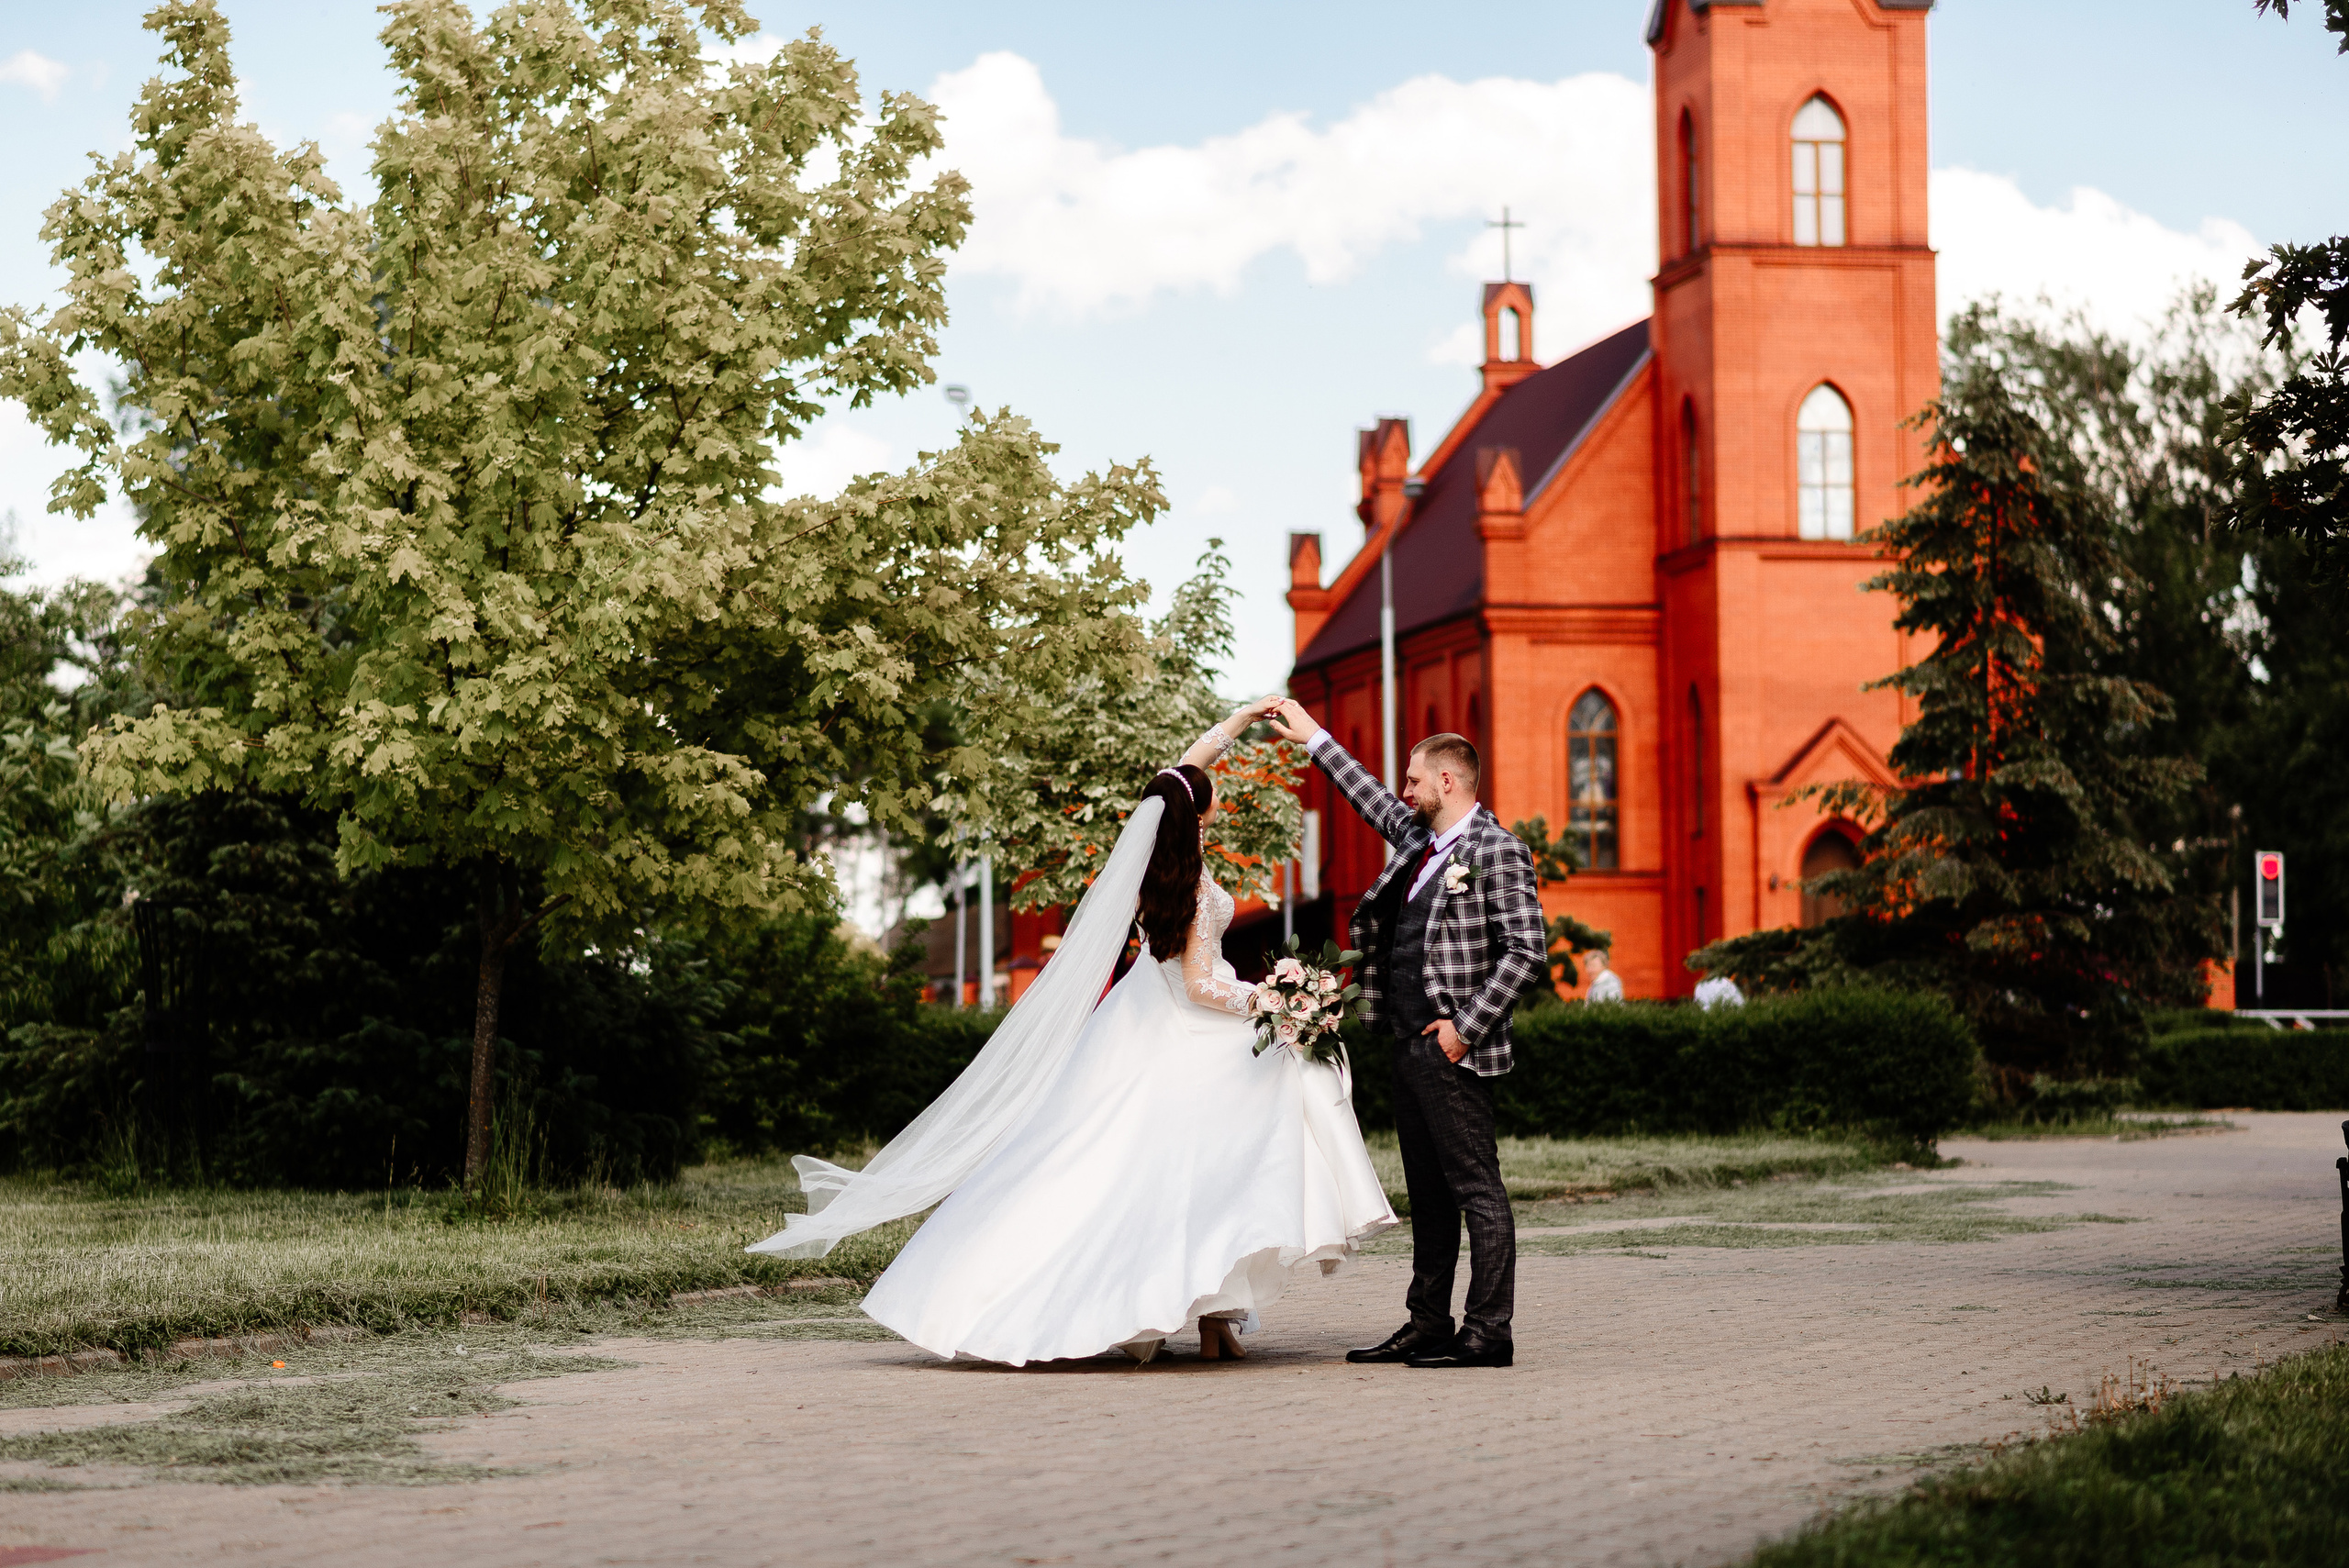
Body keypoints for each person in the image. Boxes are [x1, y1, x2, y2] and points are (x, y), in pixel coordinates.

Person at [747, 698, 1395, 1366]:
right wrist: (1276, 1000)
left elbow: (1177, 777)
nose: (1220, 797)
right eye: (1214, 796)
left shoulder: (1155, 864)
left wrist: (1235, 723)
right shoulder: (1193, 887)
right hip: (1184, 1031)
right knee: (1222, 1153)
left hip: (1140, 1024)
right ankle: (1193, 1312)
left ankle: (1215, 1316)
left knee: (1181, 1170)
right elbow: (1202, 985)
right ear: (1198, 813)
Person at [1265, 699, 1546, 1370]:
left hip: (1454, 1050)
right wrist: (1313, 737)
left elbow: (1527, 950)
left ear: (1448, 782)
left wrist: (1465, 1029)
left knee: (1477, 1189)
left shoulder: (1496, 850)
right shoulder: (1421, 840)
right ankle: (1428, 1321)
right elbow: (1366, 796)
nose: (1405, 791)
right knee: (1426, 1193)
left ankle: (1488, 1332)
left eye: (1415, 780)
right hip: (1404, 1043)